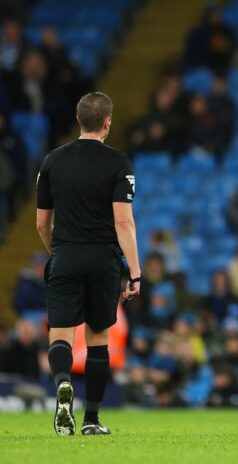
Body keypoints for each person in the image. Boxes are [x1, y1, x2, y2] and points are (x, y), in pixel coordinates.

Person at [36, 92, 141, 436]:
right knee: (98, 340)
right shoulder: (118, 163)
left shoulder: (52, 160)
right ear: (107, 122)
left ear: (79, 119)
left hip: (65, 254)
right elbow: (123, 223)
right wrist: (135, 273)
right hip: (103, 259)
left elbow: (41, 224)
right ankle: (92, 420)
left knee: (61, 335)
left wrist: (59, 252)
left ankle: (63, 383)